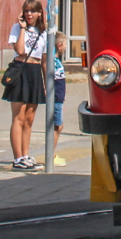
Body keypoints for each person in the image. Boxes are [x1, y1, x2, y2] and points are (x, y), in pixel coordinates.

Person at [3, 0, 46, 170]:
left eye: (33, 11)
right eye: (26, 11)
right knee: (18, 118)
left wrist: (45, 82)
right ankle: (18, 158)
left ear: (39, 13)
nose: (29, 14)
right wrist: (22, 28)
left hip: (35, 73)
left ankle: (26, 154)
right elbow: (20, 50)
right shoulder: (17, 28)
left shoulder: (43, 32)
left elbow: (44, 59)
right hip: (21, 70)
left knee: (29, 119)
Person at [52, 32, 68, 167]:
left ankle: (52, 153)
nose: (66, 48)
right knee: (58, 126)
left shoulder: (57, 61)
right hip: (56, 97)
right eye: (65, 45)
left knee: (58, 125)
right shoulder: (53, 61)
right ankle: (51, 155)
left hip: (59, 98)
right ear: (59, 46)